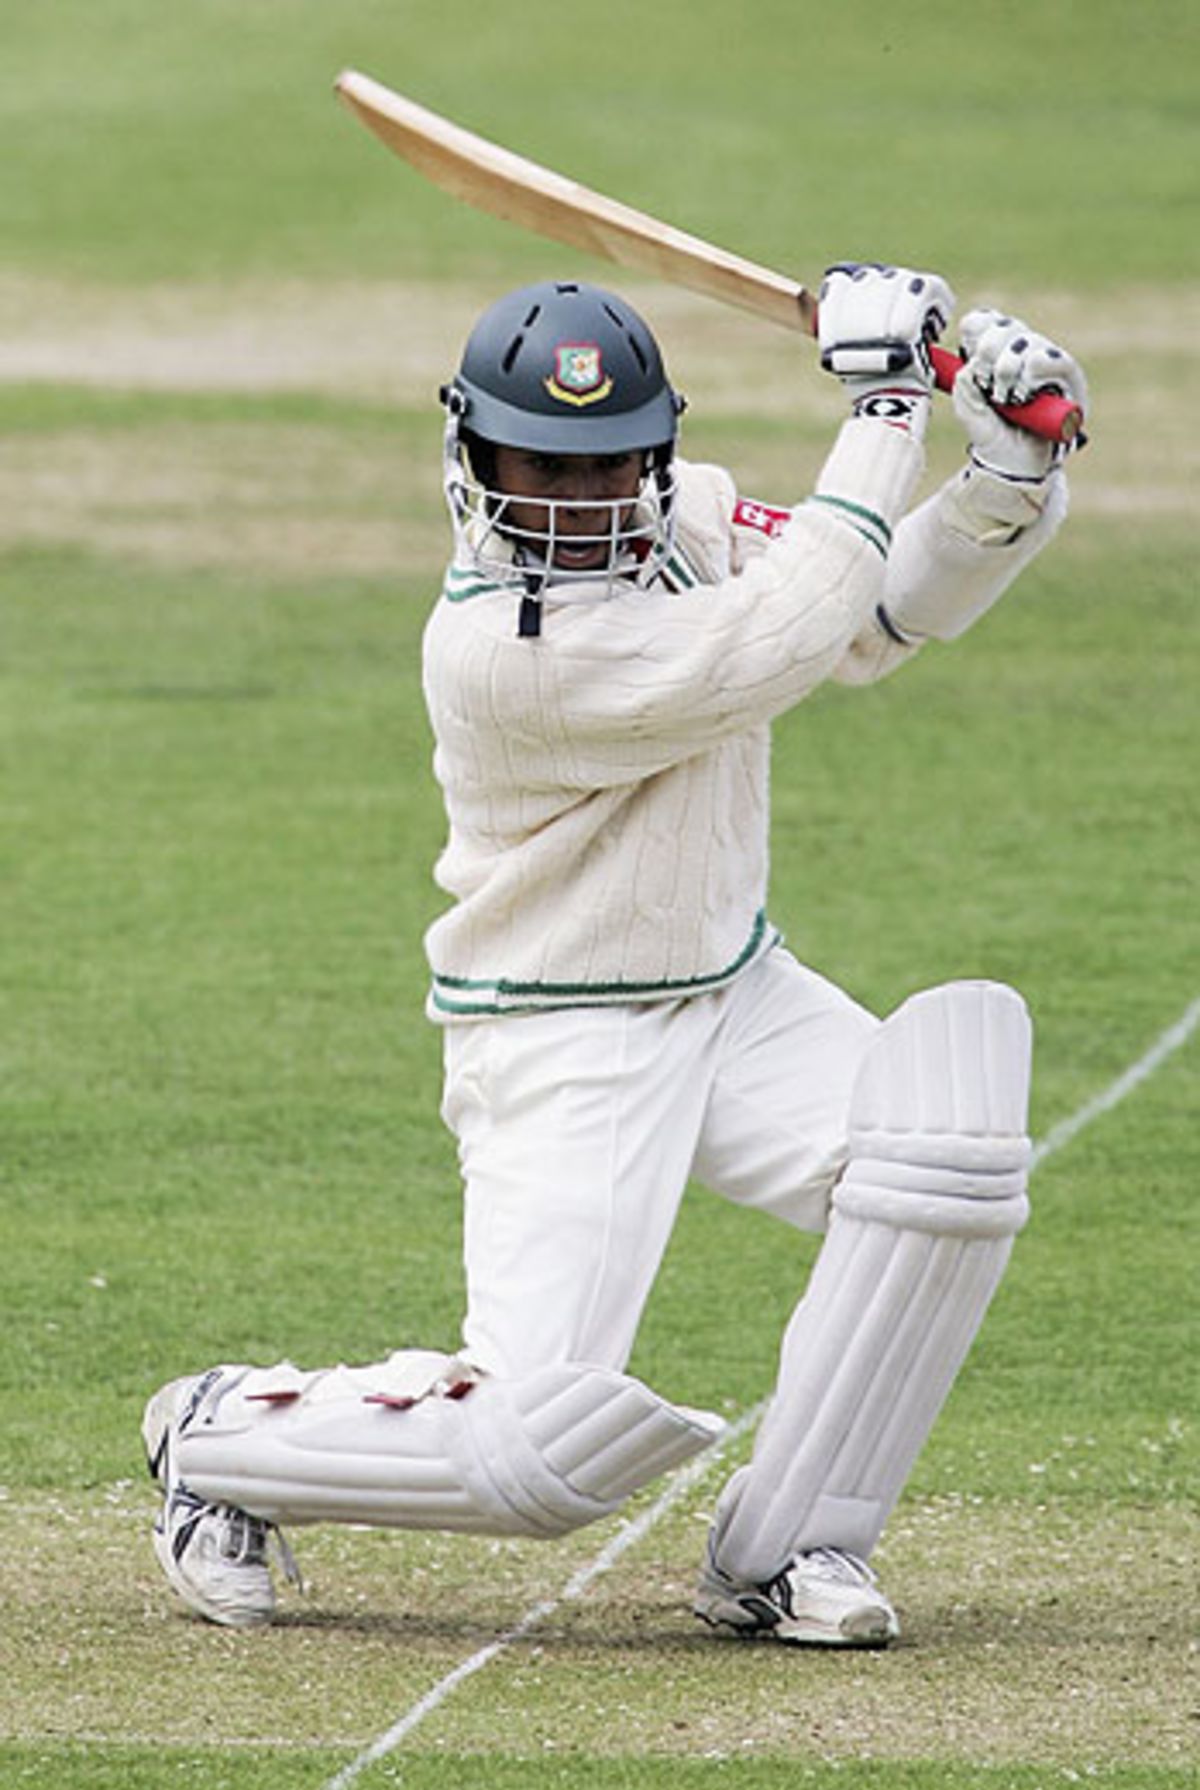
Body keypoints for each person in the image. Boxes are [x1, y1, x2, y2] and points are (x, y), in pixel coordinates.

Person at [142, 264, 1087, 1645]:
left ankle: (788, 1545)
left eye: (605, 466)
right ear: (472, 457)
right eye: (538, 463)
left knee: (947, 1155)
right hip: (559, 1031)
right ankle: (217, 1436)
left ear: (655, 451)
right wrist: (889, 401)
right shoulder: (492, 650)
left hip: (732, 991)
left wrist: (1003, 476)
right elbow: (773, 642)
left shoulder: (692, 515)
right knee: (527, 1449)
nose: (572, 502)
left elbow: (869, 617)